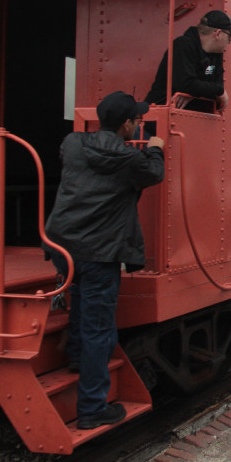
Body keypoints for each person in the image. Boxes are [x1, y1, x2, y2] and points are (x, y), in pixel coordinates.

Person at [45, 92, 165, 429]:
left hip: (62, 245)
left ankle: (76, 358)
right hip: (99, 250)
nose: (139, 125)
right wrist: (155, 146)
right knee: (99, 326)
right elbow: (154, 173)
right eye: (137, 121)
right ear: (127, 125)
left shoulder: (72, 143)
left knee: (80, 301)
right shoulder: (130, 160)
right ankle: (92, 409)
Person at [144, 10, 231, 112]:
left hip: (188, 117)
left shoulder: (216, 54)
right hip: (161, 115)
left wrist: (194, 94)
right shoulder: (183, 46)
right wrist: (217, 91)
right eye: (230, 37)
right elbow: (187, 84)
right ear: (218, 33)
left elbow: (215, 86)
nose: (229, 42)